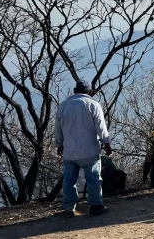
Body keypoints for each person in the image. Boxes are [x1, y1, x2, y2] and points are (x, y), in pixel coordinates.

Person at [55, 80, 110, 217]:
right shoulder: (93, 105)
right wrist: (107, 143)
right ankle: (95, 205)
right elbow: (101, 127)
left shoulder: (63, 106)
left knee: (69, 180)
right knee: (93, 179)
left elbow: (58, 128)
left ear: (75, 90)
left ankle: (68, 208)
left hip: (70, 151)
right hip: (89, 150)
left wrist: (59, 144)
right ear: (90, 91)